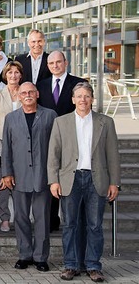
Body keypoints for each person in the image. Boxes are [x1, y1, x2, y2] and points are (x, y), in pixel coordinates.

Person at [47, 82, 121, 282]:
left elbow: (113, 155)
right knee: (70, 224)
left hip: (96, 179)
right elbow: (53, 154)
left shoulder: (106, 122)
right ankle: (70, 265)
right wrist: (53, 180)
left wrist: (114, 183)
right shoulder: (61, 122)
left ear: (92, 99)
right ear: (73, 99)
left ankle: (93, 266)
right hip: (70, 179)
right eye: (79, 96)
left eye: (87, 96)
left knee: (95, 225)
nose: (83, 100)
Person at [1, 82, 57, 272]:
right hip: (19, 176)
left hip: (43, 176)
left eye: (31, 92)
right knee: (21, 217)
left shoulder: (50, 115)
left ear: (37, 94)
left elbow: (56, 148)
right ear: (18, 95)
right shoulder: (10, 118)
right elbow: (6, 148)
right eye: (23, 92)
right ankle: (24, 255)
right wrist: (6, 173)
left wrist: (54, 176)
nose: (27, 95)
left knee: (42, 218)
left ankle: (41, 257)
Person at [37, 50, 86, 233]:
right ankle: (51, 220)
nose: (55, 66)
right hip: (48, 140)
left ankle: (73, 223)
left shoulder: (79, 83)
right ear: (48, 66)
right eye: (51, 63)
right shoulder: (41, 86)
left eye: (58, 62)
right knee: (51, 179)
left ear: (66, 63)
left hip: (73, 139)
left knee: (70, 180)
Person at [0, 61, 24, 233]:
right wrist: (0, 147)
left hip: (23, 146)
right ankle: (5, 218)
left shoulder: (26, 93)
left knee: (20, 184)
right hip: (2, 145)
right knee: (2, 184)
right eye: (10, 73)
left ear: (21, 75)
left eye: (16, 72)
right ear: (5, 75)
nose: (13, 76)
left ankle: (21, 218)